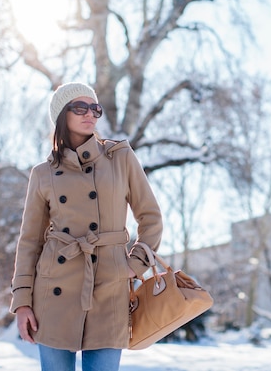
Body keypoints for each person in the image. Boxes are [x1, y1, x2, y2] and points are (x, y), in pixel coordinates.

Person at [10, 82, 163, 371]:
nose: (89, 114)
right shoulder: (43, 174)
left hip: (109, 285)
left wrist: (134, 264)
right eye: (79, 108)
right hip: (54, 289)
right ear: (60, 115)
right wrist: (22, 302)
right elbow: (30, 241)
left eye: (94, 108)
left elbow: (151, 217)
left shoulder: (120, 157)